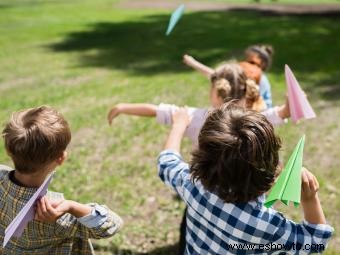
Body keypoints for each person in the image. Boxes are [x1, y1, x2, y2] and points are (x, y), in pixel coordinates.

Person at [157, 103, 333, 254]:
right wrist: (310, 199)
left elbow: (166, 162)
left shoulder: (191, 185)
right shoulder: (268, 226)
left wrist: (178, 126)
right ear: (270, 166)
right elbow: (315, 242)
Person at [0, 106, 123, 254]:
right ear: (61, 158)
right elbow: (112, 225)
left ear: (8, 150)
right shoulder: (55, 213)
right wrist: (72, 207)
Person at [108, 63, 289, 148]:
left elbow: (157, 110)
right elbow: (281, 113)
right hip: (243, 189)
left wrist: (123, 107)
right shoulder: (255, 120)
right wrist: (291, 102)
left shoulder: (194, 117)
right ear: (244, 91)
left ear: (216, 92)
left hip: (205, 188)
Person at [183, 44, 275, 108]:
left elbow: (261, 106)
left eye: (253, 61)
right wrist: (193, 63)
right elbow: (216, 76)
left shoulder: (261, 79)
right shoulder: (240, 70)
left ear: (262, 64)